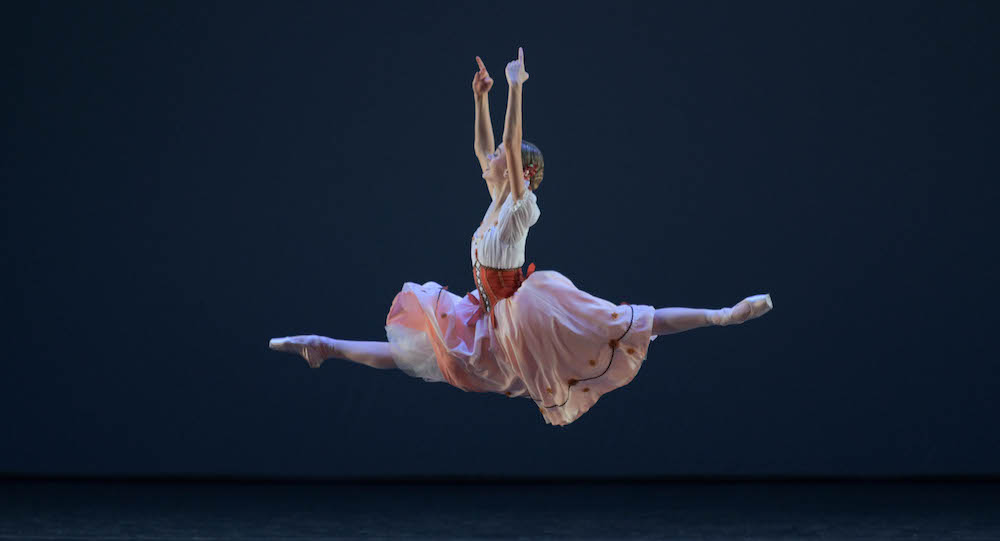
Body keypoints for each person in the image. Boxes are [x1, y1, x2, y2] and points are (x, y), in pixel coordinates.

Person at [269, 47, 773, 426]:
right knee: (417, 353)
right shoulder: (494, 200)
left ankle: (721, 316)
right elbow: (484, 145)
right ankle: (322, 345)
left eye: (499, 164)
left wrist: (516, 87)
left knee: (628, 322)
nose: (487, 162)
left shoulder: (517, 208)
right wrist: (479, 97)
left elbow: (507, 145)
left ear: (521, 175)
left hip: (521, 316)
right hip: (486, 313)